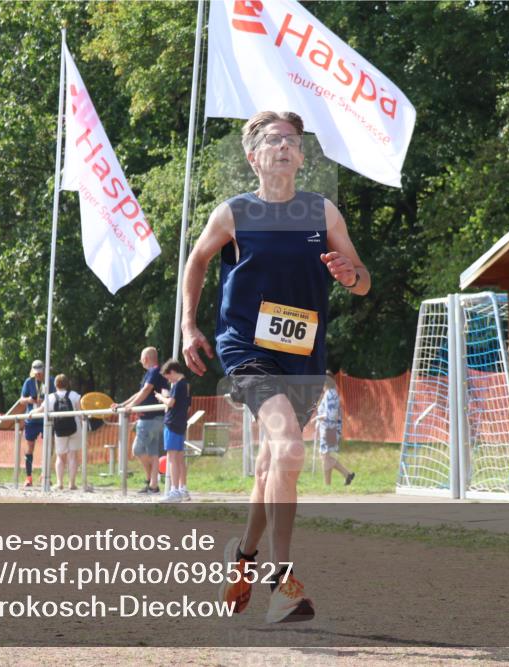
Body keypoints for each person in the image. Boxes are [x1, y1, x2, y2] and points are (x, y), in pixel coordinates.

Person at [180, 110, 371, 623]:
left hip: (305, 356)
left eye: (292, 140)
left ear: (302, 156)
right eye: (272, 140)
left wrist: (351, 274)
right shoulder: (234, 213)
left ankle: (242, 558)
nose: (284, 146)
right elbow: (197, 260)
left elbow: (362, 280)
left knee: (272, 465)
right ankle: (284, 587)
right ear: (253, 157)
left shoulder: (323, 214)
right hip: (247, 350)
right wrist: (189, 328)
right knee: (289, 448)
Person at [111, 347, 169, 495]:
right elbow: (140, 392)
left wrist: (131, 406)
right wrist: (123, 404)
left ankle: (151, 480)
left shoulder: (153, 371)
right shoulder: (157, 372)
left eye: (141, 358)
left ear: (145, 359)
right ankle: (152, 484)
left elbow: (146, 390)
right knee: (153, 453)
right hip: (157, 417)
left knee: (137, 450)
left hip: (150, 418)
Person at [31, 374, 82, 491]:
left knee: (60, 456)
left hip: (60, 429)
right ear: (67, 384)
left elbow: (40, 410)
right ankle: (72, 484)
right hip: (75, 428)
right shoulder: (74, 395)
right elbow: (81, 411)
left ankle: (60, 483)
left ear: (55, 385)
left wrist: (30, 413)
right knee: (73, 456)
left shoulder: (50, 397)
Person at [156, 359, 191, 503]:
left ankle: (174, 490)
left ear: (172, 372)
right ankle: (183, 489)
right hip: (181, 423)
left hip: (172, 423)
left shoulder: (178, 385)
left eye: (168, 376)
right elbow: (188, 406)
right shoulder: (187, 385)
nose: (168, 379)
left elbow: (171, 402)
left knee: (172, 458)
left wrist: (161, 397)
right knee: (180, 458)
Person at [312, 372, 354, 486]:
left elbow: (330, 415)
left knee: (324, 457)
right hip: (329, 429)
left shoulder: (330, 394)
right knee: (327, 456)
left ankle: (346, 474)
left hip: (330, 429)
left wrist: (317, 418)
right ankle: (330, 483)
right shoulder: (330, 393)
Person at [21, 360, 55, 488]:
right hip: (32, 419)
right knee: (29, 448)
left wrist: (46, 401)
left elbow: (56, 397)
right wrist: (29, 399)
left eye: (40, 373)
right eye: (36, 373)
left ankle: (44, 475)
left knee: (49, 447)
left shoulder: (51, 380)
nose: (38, 375)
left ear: (44, 371)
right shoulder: (28, 382)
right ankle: (28, 477)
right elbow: (21, 400)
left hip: (46, 418)